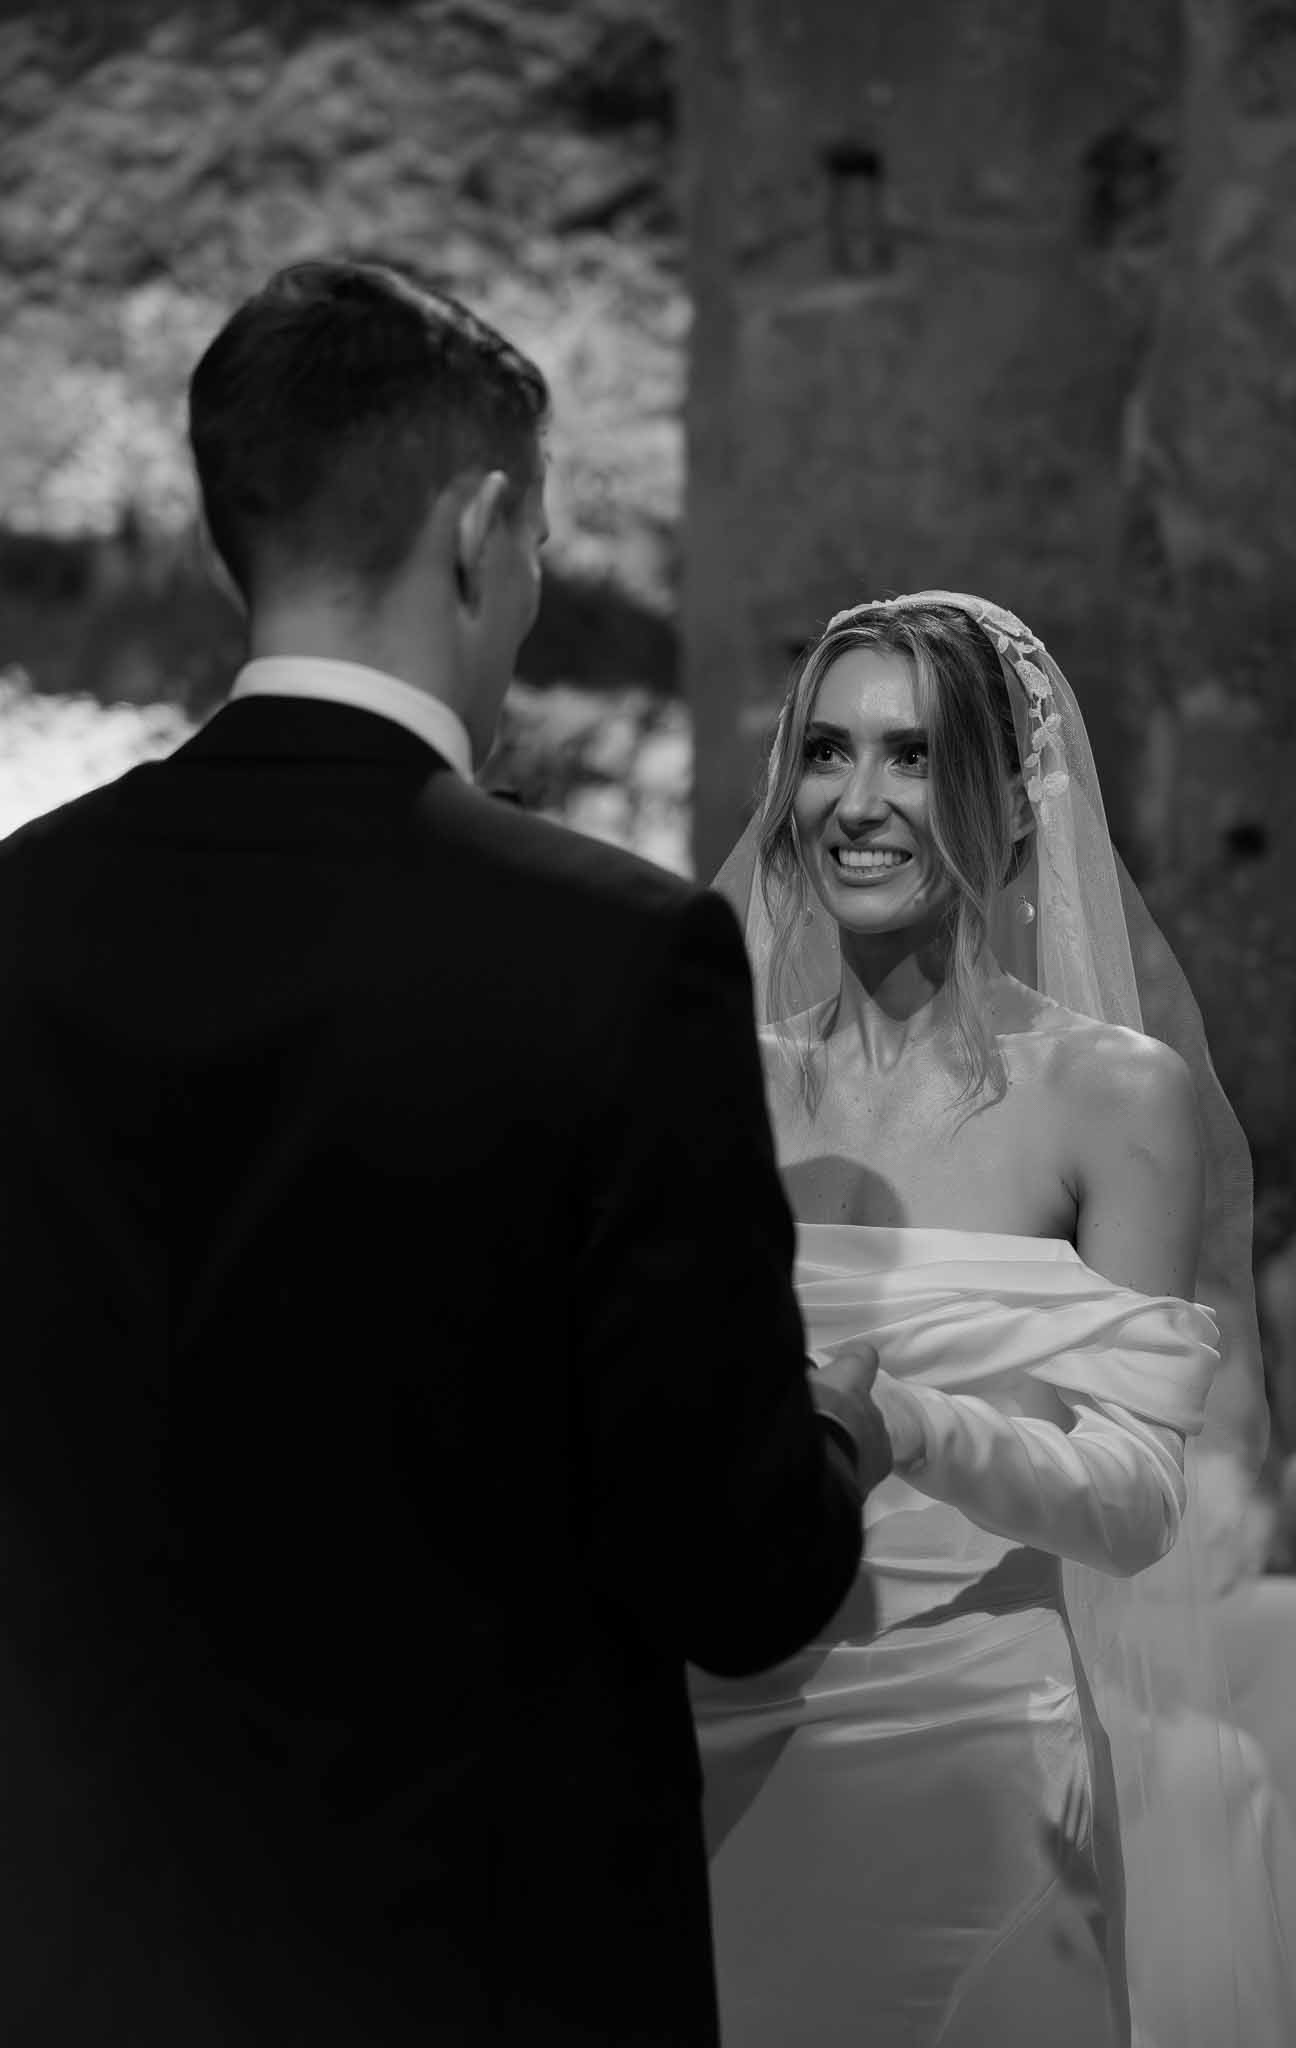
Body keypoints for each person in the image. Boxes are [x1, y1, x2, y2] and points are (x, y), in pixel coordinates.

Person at [0, 258, 892, 2046]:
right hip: (487, 1967)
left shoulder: (23, 918)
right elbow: (730, 1571)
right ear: (483, 530)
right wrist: (838, 1442)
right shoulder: (613, 951)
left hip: (86, 1961)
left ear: (219, 540)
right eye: (548, 543)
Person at [697, 591, 1296, 2046]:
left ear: (1011, 812)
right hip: (716, 1727)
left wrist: (911, 1428)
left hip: (976, 1753)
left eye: (914, 758)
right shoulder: (706, 1079)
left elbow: (1136, 1503)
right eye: (824, 751)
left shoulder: (1111, 1094)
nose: (855, 802)